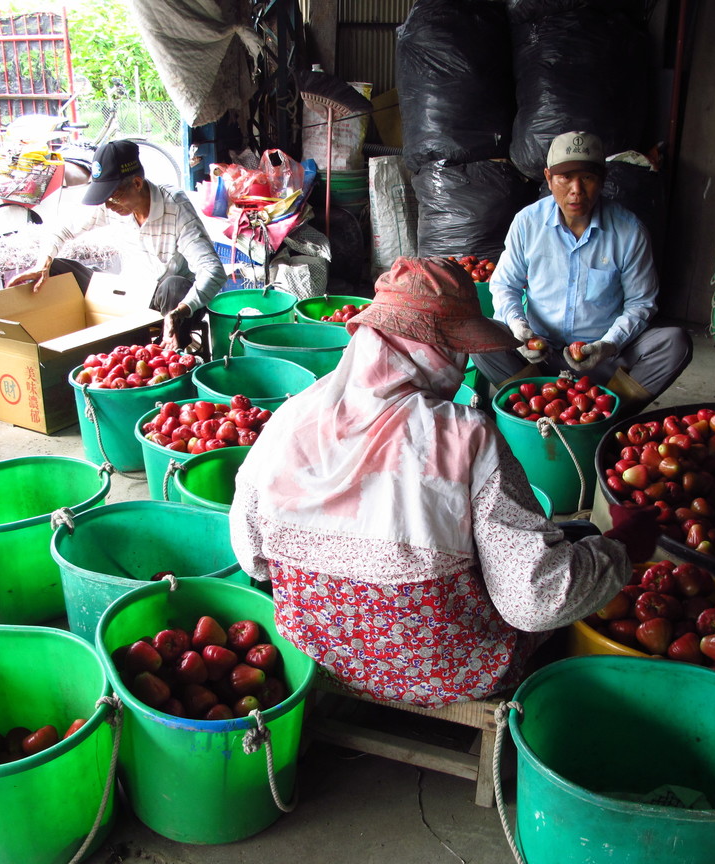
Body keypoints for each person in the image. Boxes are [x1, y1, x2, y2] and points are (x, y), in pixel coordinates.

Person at [229, 257, 659, 708]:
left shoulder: (291, 417)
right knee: (576, 549)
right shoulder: (465, 435)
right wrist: (621, 548)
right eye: (458, 347)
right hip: (446, 667)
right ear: (440, 350)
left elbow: (253, 558)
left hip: (316, 647)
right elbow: (533, 600)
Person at [472, 130, 692, 414]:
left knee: (675, 343)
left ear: (602, 179)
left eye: (587, 177)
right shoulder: (527, 223)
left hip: (602, 360)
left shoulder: (629, 231)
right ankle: (538, 407)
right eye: (565, 178)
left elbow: (641, 303)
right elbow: (504, 285)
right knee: (477, 335)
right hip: (538, 356)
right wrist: (520, 330)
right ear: (549, 178)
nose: (576, 189)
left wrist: (608, 345)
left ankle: (603, 416)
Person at [7, 139, 226, 350]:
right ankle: (60, 344)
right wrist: (42, 265)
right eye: (104, 198)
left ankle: (166, 349)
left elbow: (212, 270)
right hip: (129, 294)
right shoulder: (108, 204)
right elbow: (61, 229)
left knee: (174, 285)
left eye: (114, 197)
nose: (108, 205)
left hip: (169, 302)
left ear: (137, 184)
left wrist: (183, 309)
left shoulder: (175, 205)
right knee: (56, 268)